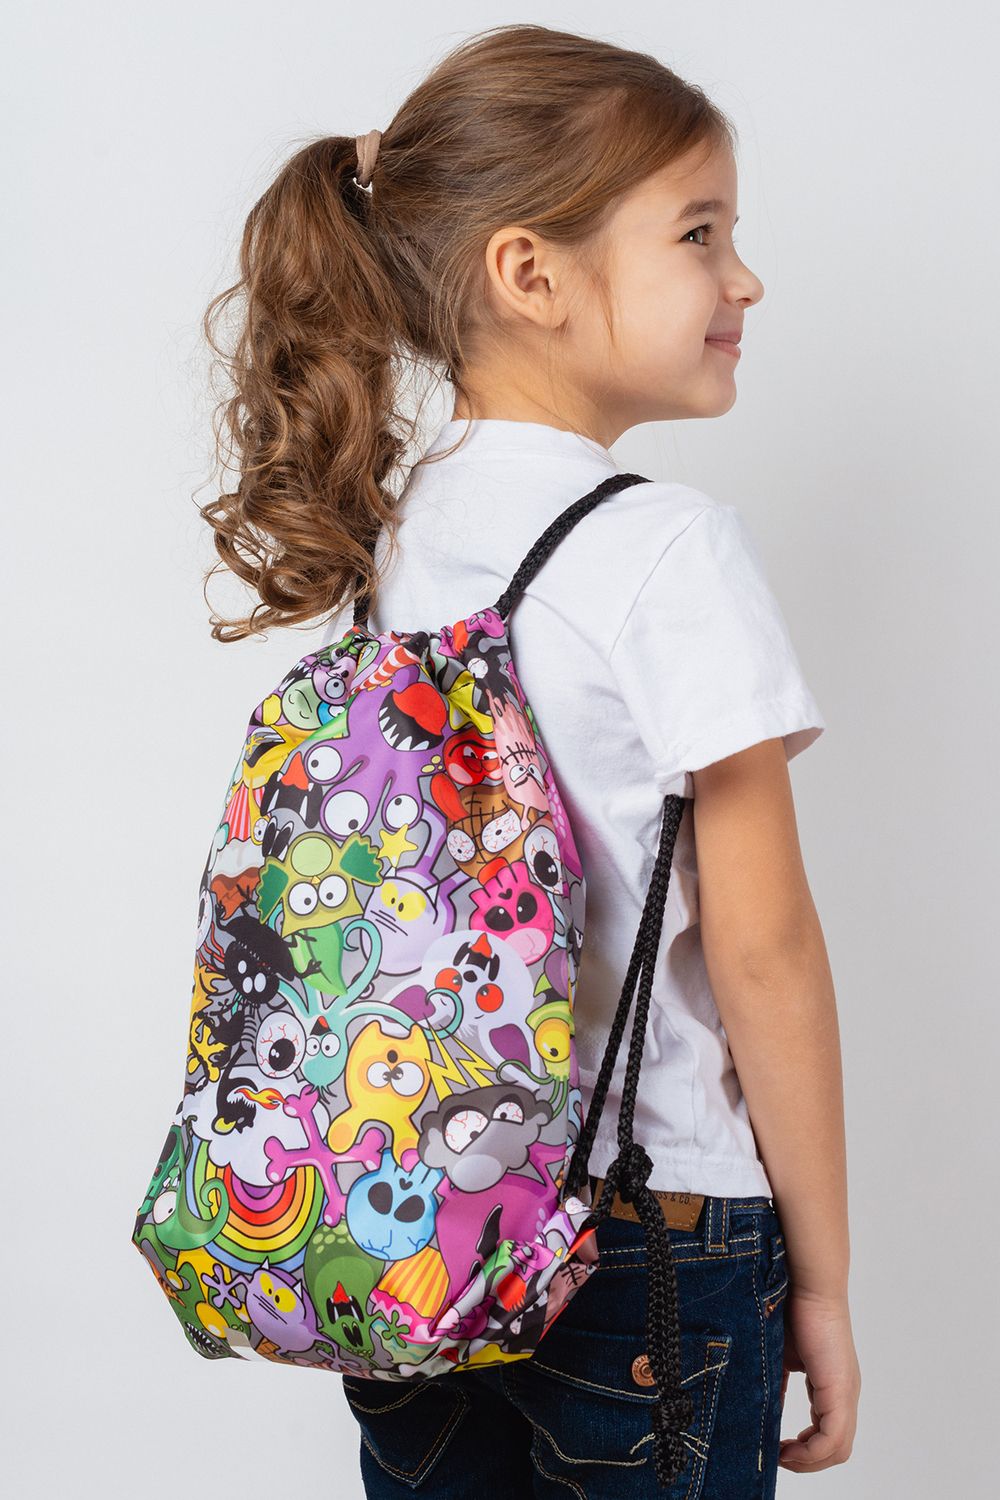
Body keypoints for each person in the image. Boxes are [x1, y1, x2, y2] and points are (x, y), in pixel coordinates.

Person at [199, 21, 861, 1497]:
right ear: (530, 273)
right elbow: (765, 952)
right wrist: (820, 1280)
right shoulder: (666, 548)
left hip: (418, 1222)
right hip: (652, 1234)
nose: (744, 279)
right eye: (699, 233)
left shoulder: (395, 531)